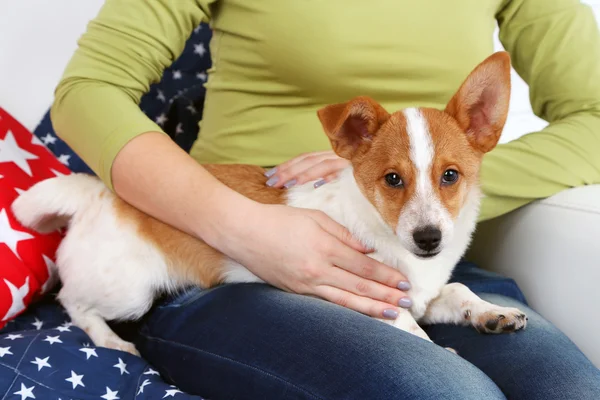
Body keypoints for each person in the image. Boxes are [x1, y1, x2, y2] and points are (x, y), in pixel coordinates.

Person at [50, 0, 600, 398]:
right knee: (446, 393)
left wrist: (431, 179)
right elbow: (87, 92)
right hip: (216, 257)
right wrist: (242, 226)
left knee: (570, 389)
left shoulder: (438, 188)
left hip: (415, 258)